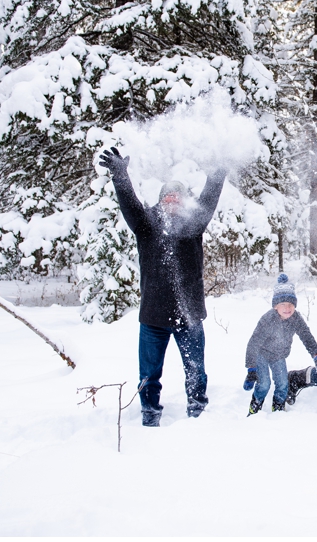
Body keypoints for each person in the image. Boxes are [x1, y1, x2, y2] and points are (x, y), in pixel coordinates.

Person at [97, 147, 227, 426]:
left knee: (195, 369)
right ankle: (149, 413)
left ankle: (197, 411)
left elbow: (208, 200)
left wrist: (217, 176)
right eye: (166, 195)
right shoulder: (146, 226)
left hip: (189, 316)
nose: (171, 199)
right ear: (160, 200)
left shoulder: (193, 224)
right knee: (149, 373)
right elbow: (131, 205)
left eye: (176, 195)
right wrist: (120, 176)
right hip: (153, 318)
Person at [242, 274, 317, 415]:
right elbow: (253, 343)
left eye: (291, 304)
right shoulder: (267, 319)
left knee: (283, 384)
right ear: (276, 306)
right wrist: (251, 369)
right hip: (261, 354)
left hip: (278, 355)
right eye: (283, 304)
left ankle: (278, 406)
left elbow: (306, 336)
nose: (287, 308)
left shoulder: (295, 318)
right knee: (264, 384)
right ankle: (255, 406)